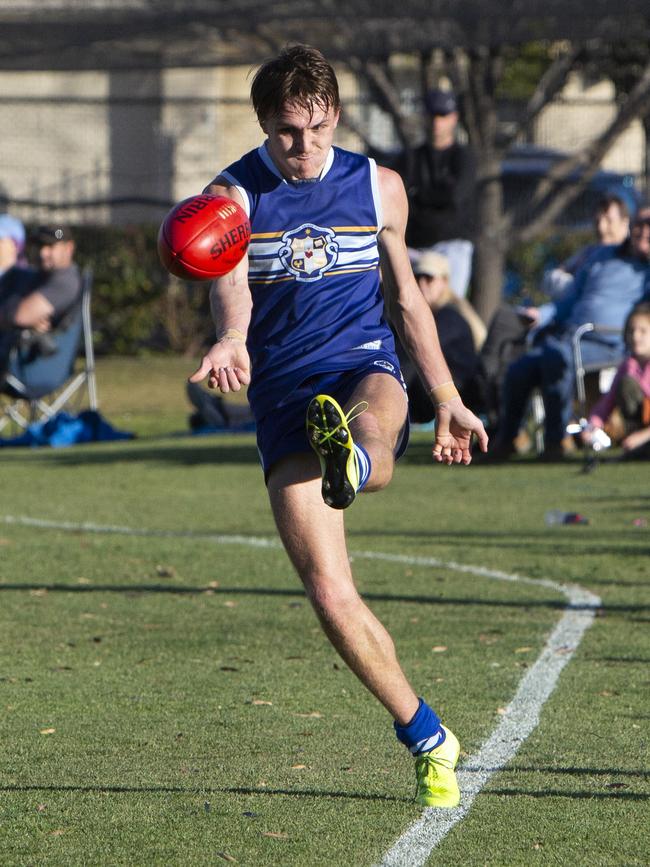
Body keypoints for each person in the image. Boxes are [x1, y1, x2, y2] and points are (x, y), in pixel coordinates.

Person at [189, 45, 488, 808]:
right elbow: (232, 293)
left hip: (363, 362)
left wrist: (447, 393)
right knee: (328, 590)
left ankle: (350, 460)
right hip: (285, 392)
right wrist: (228, 340)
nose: (305, 146)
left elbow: (410, 300)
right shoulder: (234, 197)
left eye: (318, 128)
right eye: (289, 131)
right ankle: (426, 732)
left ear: (337, 119)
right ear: (263, 123)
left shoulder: (376, 185)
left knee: (372, 434)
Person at [490, 207, 650, 460]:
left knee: (557, 357)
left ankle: (557, 441)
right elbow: (570, 299)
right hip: (569, 336)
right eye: (640, 223)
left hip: (608, 341)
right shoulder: (602, 256)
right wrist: (541, 315)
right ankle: (508, 439)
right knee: (518, 369)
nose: (644, 230)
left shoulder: (646, 275)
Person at [399, 88, 477, 299]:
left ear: (454, 118)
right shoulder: (411, 158)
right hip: (416, 247)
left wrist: (420, 195)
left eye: (442, 115)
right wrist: (435, 195)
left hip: (451, 247)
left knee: (449, 307)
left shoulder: (463, 158)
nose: (437, 121)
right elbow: (403, 200)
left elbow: (455, 197)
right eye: (433, 114)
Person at [396, 251, 484, 423]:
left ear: (444, 282)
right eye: (417, 277)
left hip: (456, 394)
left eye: (429, 278)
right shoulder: (438, 315)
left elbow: (414, 351)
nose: (422, 284)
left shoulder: (449, 316)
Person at [0, 222, 82, 377]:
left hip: (35, 363)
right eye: (40, 246)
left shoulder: (64, 281)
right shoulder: (38, 276)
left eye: (51, 247)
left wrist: (15, 312)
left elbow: (19, 316)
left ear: (69, 248)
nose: (43, 253)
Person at [582, 301, 650, 458]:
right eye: (631, 331)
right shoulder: (627, 366)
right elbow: (607, 402)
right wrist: (593, 426)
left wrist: (644, 436)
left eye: (643, 331)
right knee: (626, 384)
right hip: (641, 430)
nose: (635, 336)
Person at [541, 191, 634, 299]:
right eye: (597, 221)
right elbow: (551, 279)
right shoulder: (588, 252)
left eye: (609, 221)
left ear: (625, 222)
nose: (601, 228)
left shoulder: (632, 256)